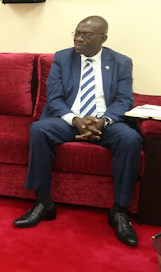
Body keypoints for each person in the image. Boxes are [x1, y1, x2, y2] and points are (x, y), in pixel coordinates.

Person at [14, 16, 142, 246]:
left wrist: (102, 121)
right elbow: (54, 98)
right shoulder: (62, 58)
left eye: (86, 35)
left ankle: (119, 210)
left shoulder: (121, 62)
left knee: (130, 139)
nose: (78, 39)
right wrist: (76, 121)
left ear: (103, 38)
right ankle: (44, 202)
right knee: (39, 130)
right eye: (77, 33)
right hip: (69, 120)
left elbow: (124, 100)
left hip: (106, 122)